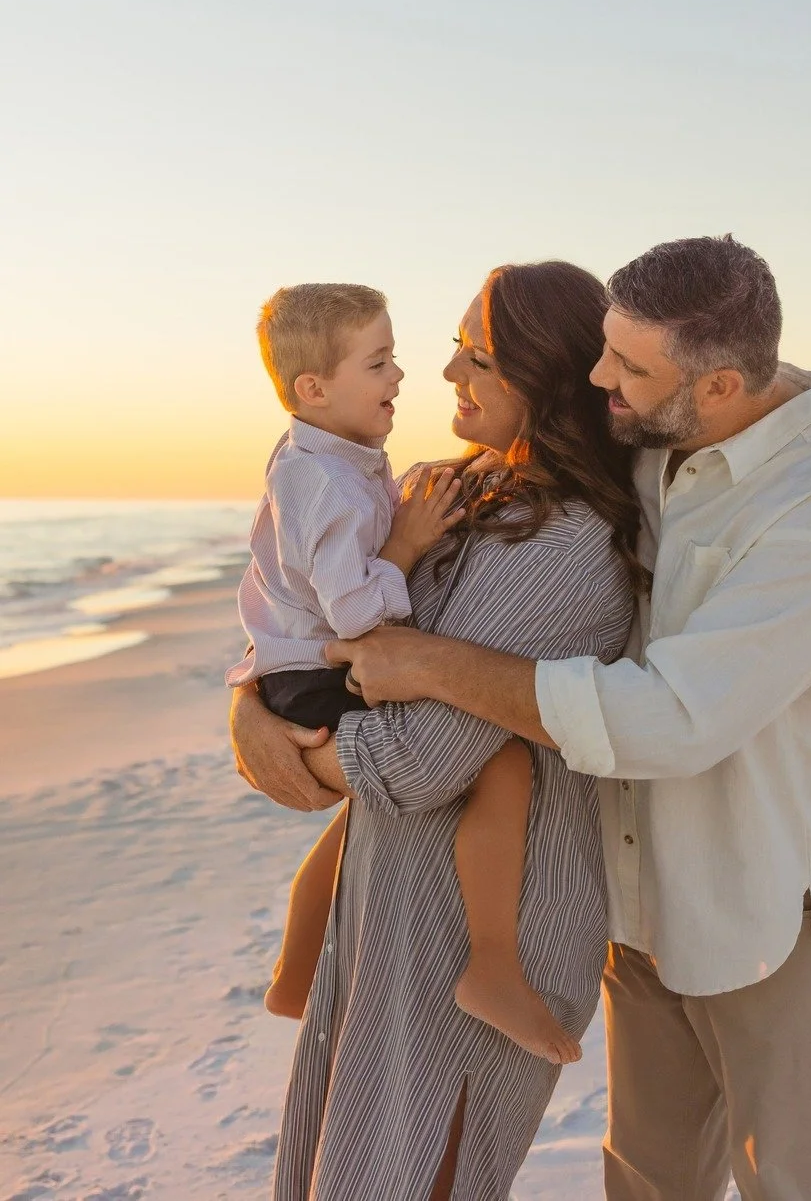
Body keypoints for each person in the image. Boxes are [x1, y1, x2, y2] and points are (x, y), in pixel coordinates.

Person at [329, 235, 811, 1201]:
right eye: (605, 348)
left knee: (793, 1185)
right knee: (647, 1179)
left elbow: (671, 718)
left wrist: (427, 662)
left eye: (627, 367)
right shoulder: (656, 434)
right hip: (642, 891)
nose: (599, 377)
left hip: (776, 904)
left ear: (719, 384)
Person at [231, 262, 639, 1200]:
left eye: (478, 354)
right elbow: (298, 609)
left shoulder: (567, 544)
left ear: (544, 377)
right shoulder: (440, 487)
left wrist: (285, 749)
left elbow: (419, 762)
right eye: (448, 348)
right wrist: (247, 706)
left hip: (470, 940)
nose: (445, 371)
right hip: (383, 914)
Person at [227, 281, 573, 1063]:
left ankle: (293, 971)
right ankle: (491, 964)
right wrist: (408, 548)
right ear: (314, 389)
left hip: (299, 666)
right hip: (319, 671)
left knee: (364, 813)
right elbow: (354, 613)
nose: (404, 377)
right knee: (504, 763)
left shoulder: (327, 458)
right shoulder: (324, 485)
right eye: (379, 363)